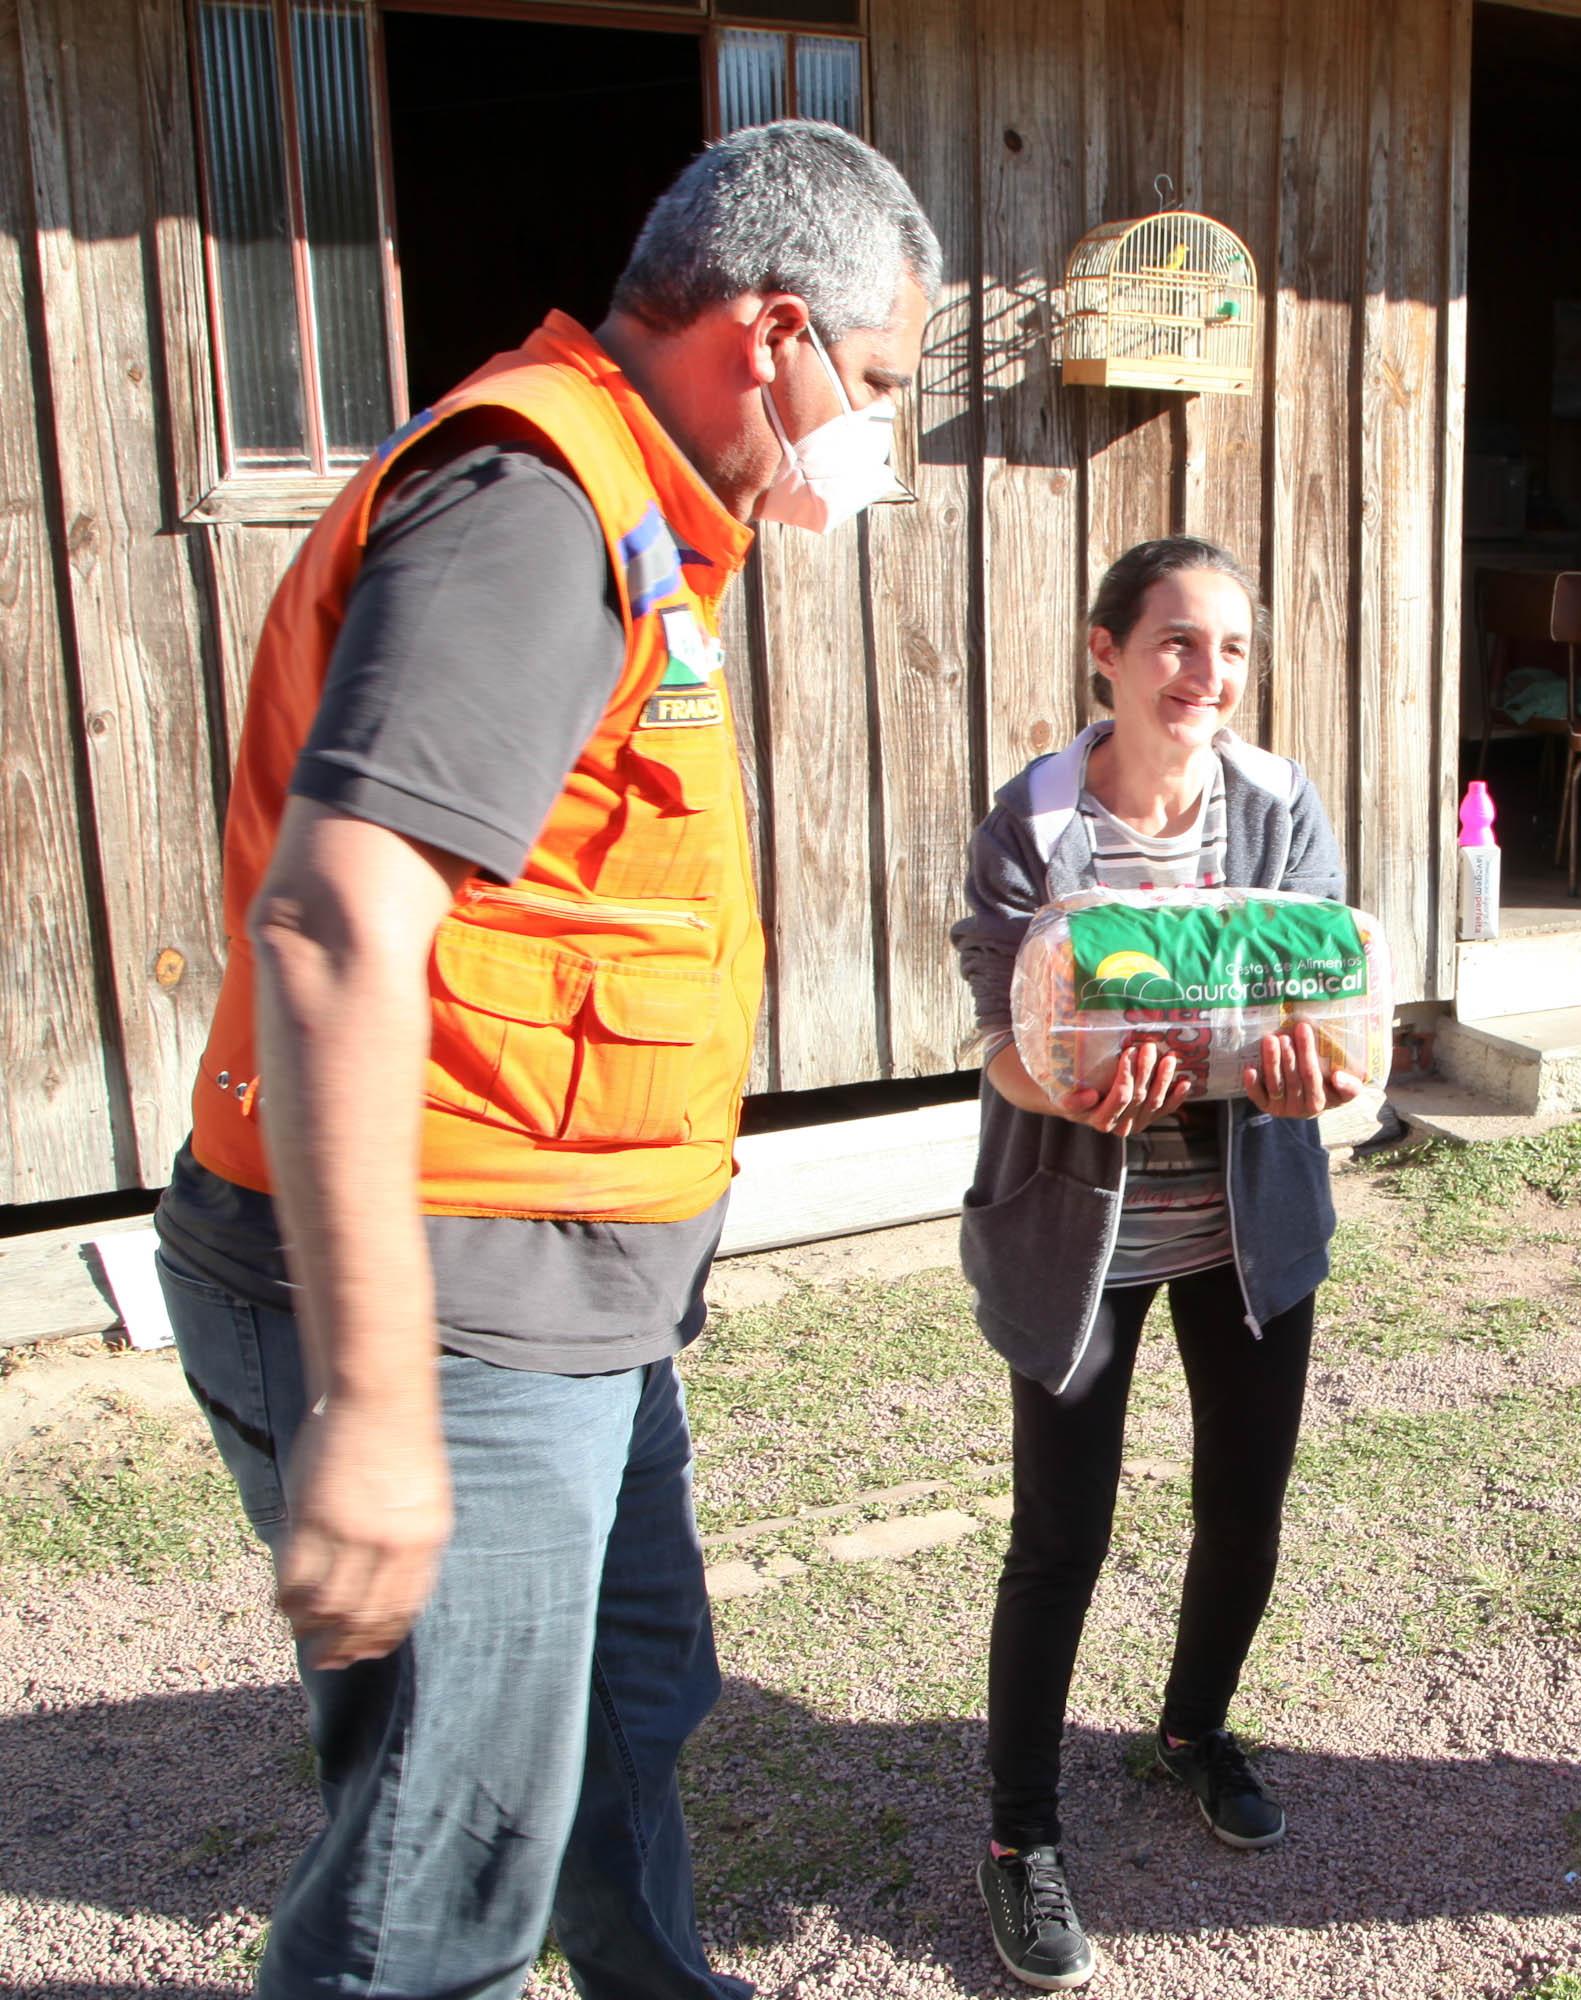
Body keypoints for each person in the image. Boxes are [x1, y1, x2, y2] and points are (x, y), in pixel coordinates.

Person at [150, 121, 936, 1998]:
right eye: (882, 382)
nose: (879, 432)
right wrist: (378, 1399)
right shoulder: (537, 499)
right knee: (442, 1882)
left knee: (632, 1688)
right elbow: (339, 925)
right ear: (773, 338)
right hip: (448, 1302)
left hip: (569, 1294)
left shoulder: (651, 510)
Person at [951, 537, 1359, 1992]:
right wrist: (1063, 1086)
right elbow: (1000, 1031)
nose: (1208, 674)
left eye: (1232, 649)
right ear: (1105, 653)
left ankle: (1192, 1728)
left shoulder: (1280, 806)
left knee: (1242, 1515)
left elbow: (1329, 994)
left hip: (1248, 1232)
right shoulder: (1037, 820)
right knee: (1060, 1541)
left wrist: (1316, 1072)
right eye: (1178, 642)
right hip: (1083, 1235)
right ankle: (1019, 1837)